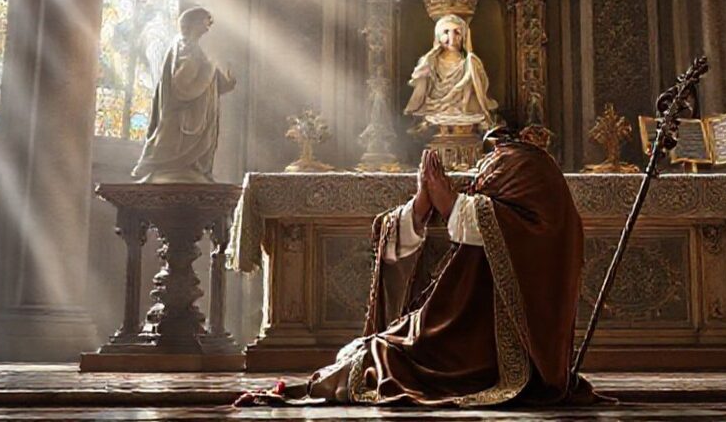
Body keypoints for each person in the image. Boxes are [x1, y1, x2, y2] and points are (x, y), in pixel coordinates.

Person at [236, 126, 600, 407]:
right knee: (363, 354)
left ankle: (325, 382)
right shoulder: (498, 198)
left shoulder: (529, 186)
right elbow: (444, 226)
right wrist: (423, 206)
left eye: (488, 173)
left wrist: (448, 203)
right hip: (454, 334)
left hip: (483, 353)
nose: (479, 185)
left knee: (375, 361)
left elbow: (493, 224)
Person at [131, 7, 236, 183]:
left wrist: (226, 83)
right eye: (205, 22)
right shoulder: (183, 46)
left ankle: (193, 167)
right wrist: (210, 66)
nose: (208, 27)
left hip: (198, 115)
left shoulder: (196, 48)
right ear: (193, 23)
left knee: (195, 154)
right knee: (173, 145)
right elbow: (181, 87)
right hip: (182, 117)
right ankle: (172, 168)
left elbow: (211, 84)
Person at [404, 14, 498, 129]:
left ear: (464, 36)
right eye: (446, 32)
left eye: (457, 32)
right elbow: (421, 89)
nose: (452, 38)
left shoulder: (470, 61)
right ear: (438, 36)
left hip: (464, 106)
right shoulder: (430, 61)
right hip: (435, 106)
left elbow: (479, 86)